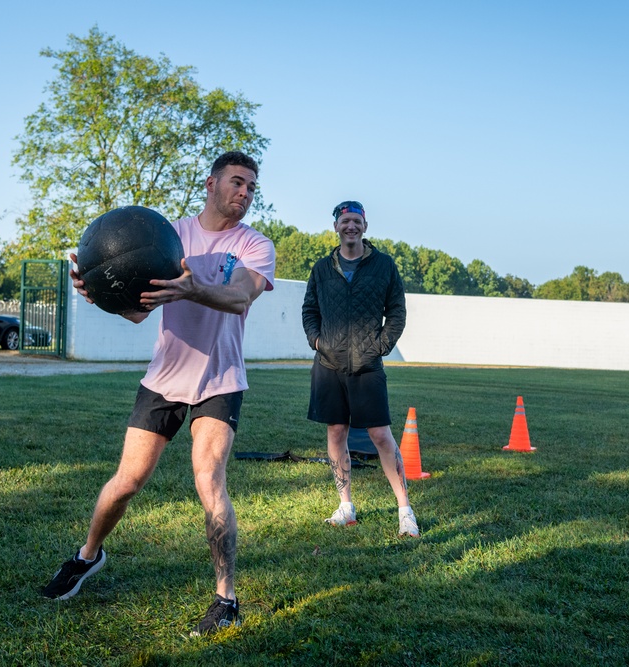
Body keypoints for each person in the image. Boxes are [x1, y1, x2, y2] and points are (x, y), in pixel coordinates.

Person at [41, 151, 275, 637]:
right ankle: (88, 556)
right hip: (164, 377)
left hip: (220, 378)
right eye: (237, 182)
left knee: (209, 478)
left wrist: (191, 288)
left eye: (252, 187)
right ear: (210, 183)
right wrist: (100, 291)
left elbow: (240, 297)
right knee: (126, 482)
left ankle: (226, 597)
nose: (245, 193)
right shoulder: (166, 235)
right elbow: (137, 311)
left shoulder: (253, 245)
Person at [301, 200, 420, 537]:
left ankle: (405, 510)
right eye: (344, 221)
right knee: (336, 433)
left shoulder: (383, 265)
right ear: (336, 226)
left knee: (381, 435)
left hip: (368, 364)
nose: (350, 226)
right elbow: (309, 310)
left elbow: (397, 310)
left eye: (356, 221)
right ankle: (345, 505)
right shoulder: (323, 268)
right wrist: (318, 342)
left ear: (364, 226)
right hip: (329, 364)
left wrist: (380, 346)